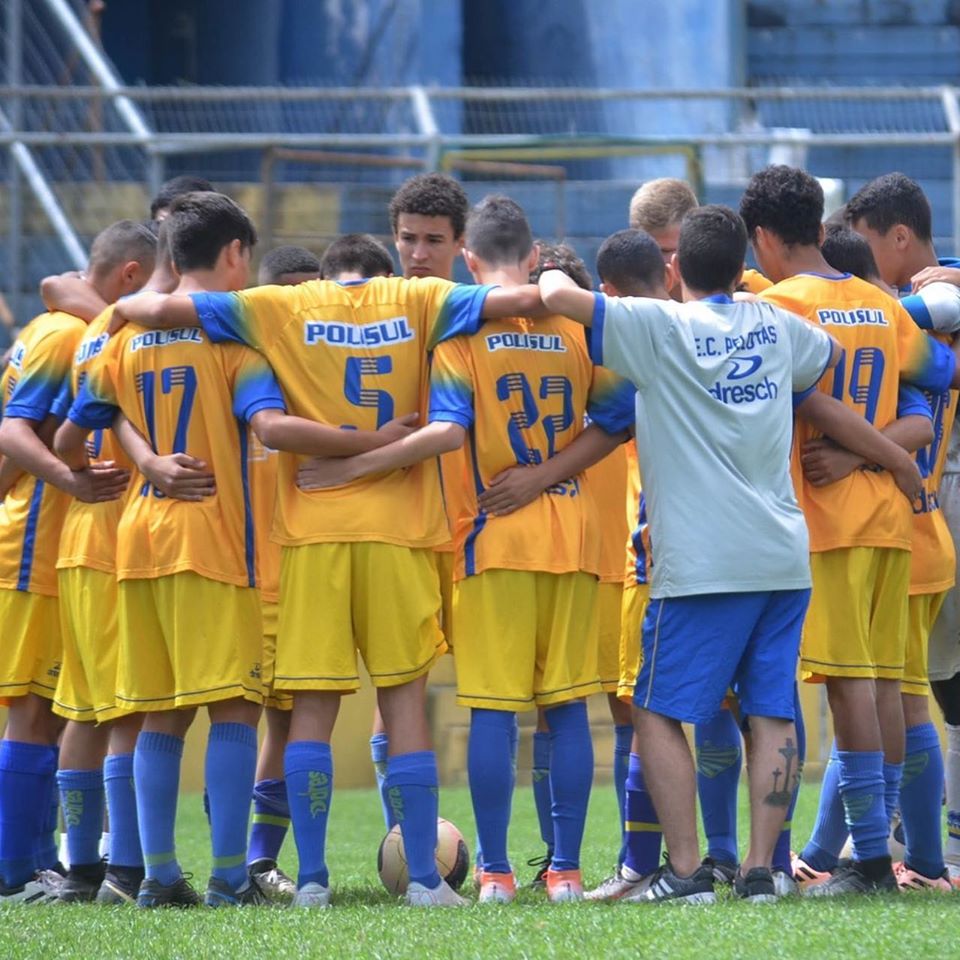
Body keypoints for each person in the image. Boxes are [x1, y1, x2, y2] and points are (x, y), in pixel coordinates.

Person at [111, 201, 544, 909]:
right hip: (398, 530)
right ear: (384, 260)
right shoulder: (422, 298)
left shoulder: (281, 304)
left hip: (307, 531)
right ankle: (427, 882)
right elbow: (523, 298)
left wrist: (102, 291)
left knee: (310, 707)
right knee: (402, 700)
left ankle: (309, 878)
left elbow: (154, 315)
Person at [290, 196, 636, 904]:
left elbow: (447, 432)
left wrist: (351, 468)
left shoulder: (460, 334)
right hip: (572, 535)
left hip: (491, 535)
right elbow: (617, 420)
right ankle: (566, 871)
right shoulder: (576, 324)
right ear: (536, 257)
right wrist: (545, 474)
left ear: (469, 262)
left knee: (492, 710)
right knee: (567, 707)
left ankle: (497, 872)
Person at [536, 204, 841, 903]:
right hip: (782, 556)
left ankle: (684, 872)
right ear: (743, 268)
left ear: (674, 268)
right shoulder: (777, 325)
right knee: (770, 711)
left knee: (655, 710)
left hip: (704, 561)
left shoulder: (658, 325)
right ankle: (761, 873)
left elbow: (557, 294)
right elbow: (825, 361)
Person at [741, 165, 960, 896]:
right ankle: (893, 852)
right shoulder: (879, 303)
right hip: (894, 523)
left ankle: (868, 861)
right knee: (889, 686)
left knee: (849, 691)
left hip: (827, 523)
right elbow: (942, 370)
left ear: (766, 237)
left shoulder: (778, 305)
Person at [844, 173, 960, 890]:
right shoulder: (912, 308)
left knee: (901, 686)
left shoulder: (904, 310)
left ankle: (861, 850)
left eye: (861, 248)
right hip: (917, 507)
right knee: (918, 687)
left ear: (899, 237)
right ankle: (920, 849)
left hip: (928, 506)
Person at [44, 222, 162, 904]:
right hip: (122, 533)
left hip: (79, 540)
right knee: (125, 710)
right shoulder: (132, 333)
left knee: (84, 709)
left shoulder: (92, 333)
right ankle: (125, 867)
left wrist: (80, 471)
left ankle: (80, 866)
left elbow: (65, 436)